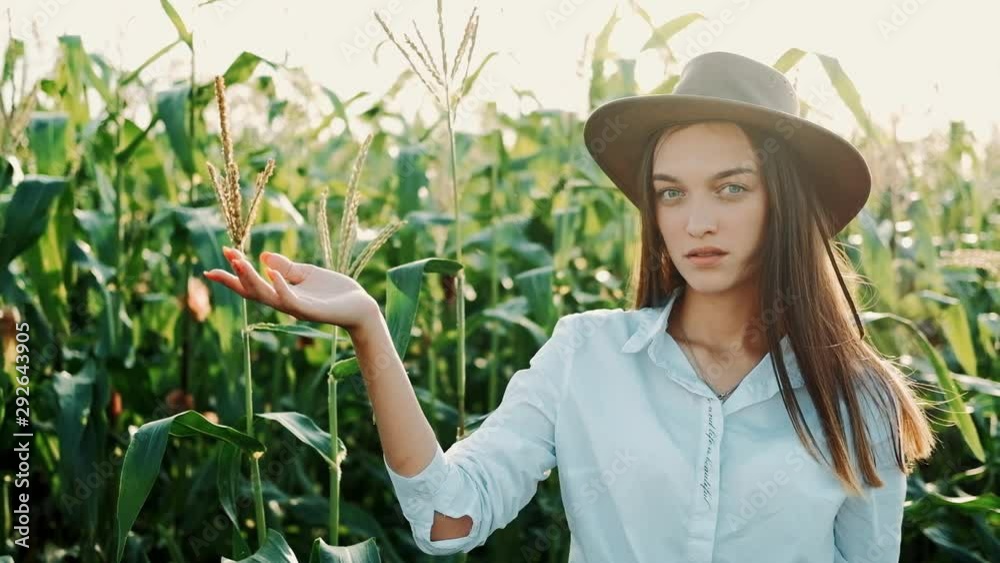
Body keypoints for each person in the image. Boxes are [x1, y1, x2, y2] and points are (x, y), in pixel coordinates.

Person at [204, 51, 938, 562]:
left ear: (786, 204)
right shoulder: (583, 356)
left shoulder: (859, 400)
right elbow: (444, 515)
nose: (696, 221)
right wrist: (370, 325)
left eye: (732, 187)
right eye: (671, 192)